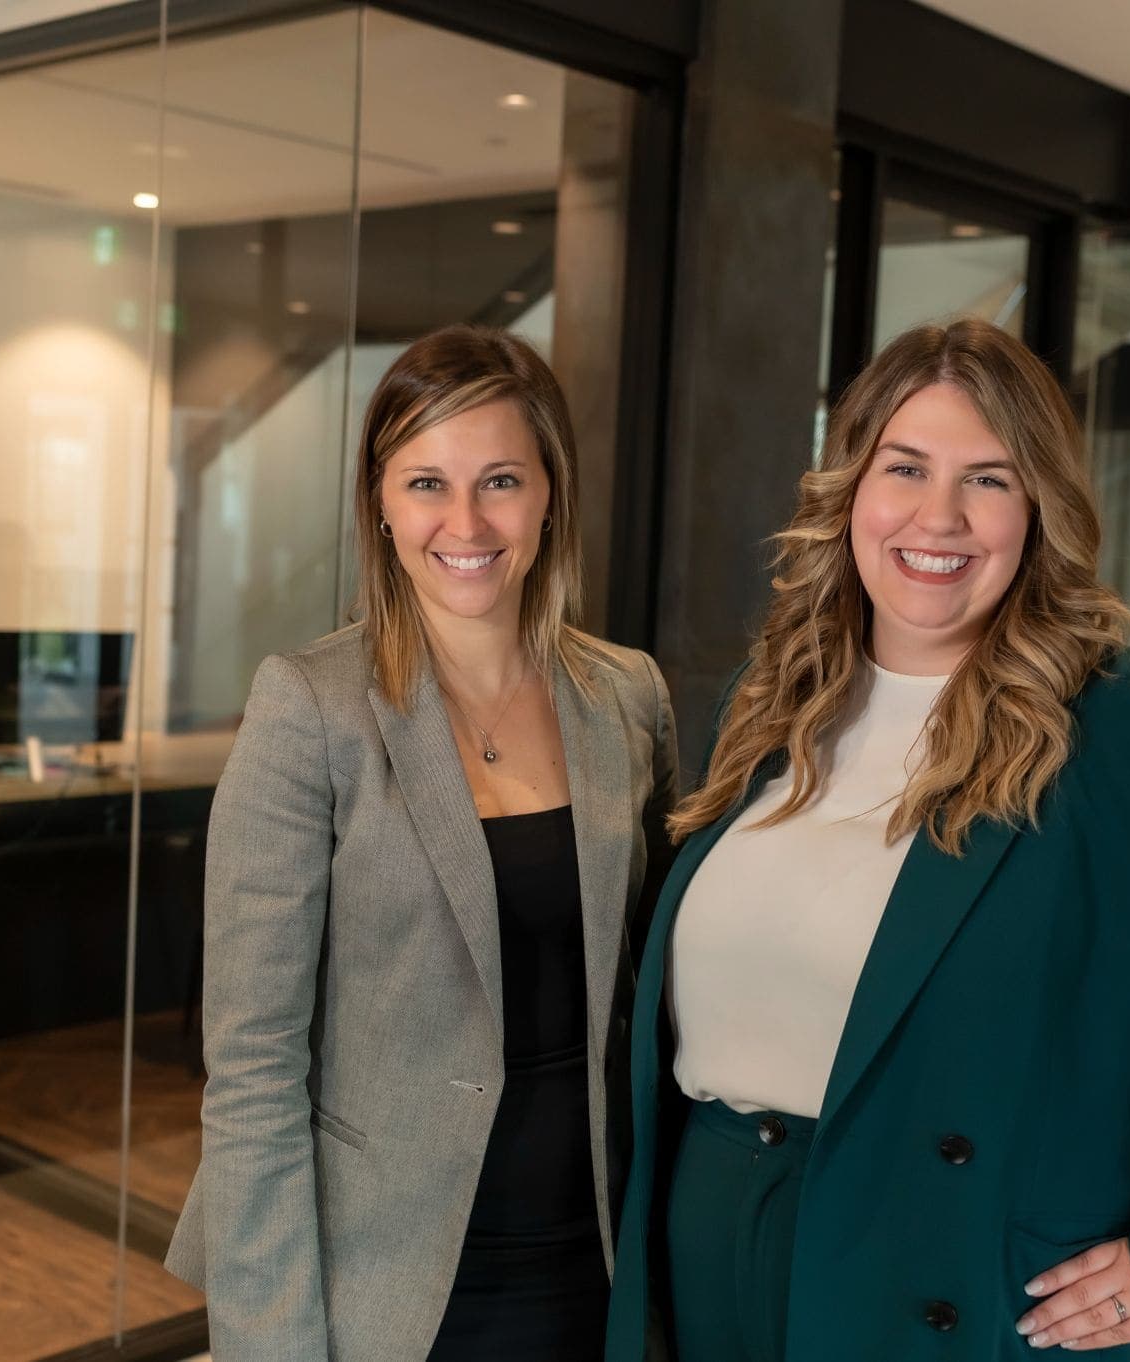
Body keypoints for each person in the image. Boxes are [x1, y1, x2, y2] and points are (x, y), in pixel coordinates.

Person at [604, 318, 1130, 1361]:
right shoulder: (771, 702)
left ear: (1037, 510)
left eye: (987, 480)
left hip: (951, 1277)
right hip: (711, 1244)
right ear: (850, 488)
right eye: (904, 467)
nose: (937, 516)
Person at [166, 324, 677, 1362]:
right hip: (386, 1288)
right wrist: (270, 1345)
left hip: (595, 1272)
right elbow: (255, 1069)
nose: (464, 521)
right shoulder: (309, 708)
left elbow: (652, 996)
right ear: (381, 506)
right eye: (424, 484)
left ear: (548, 496)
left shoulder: (627, 696)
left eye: (498, 480)